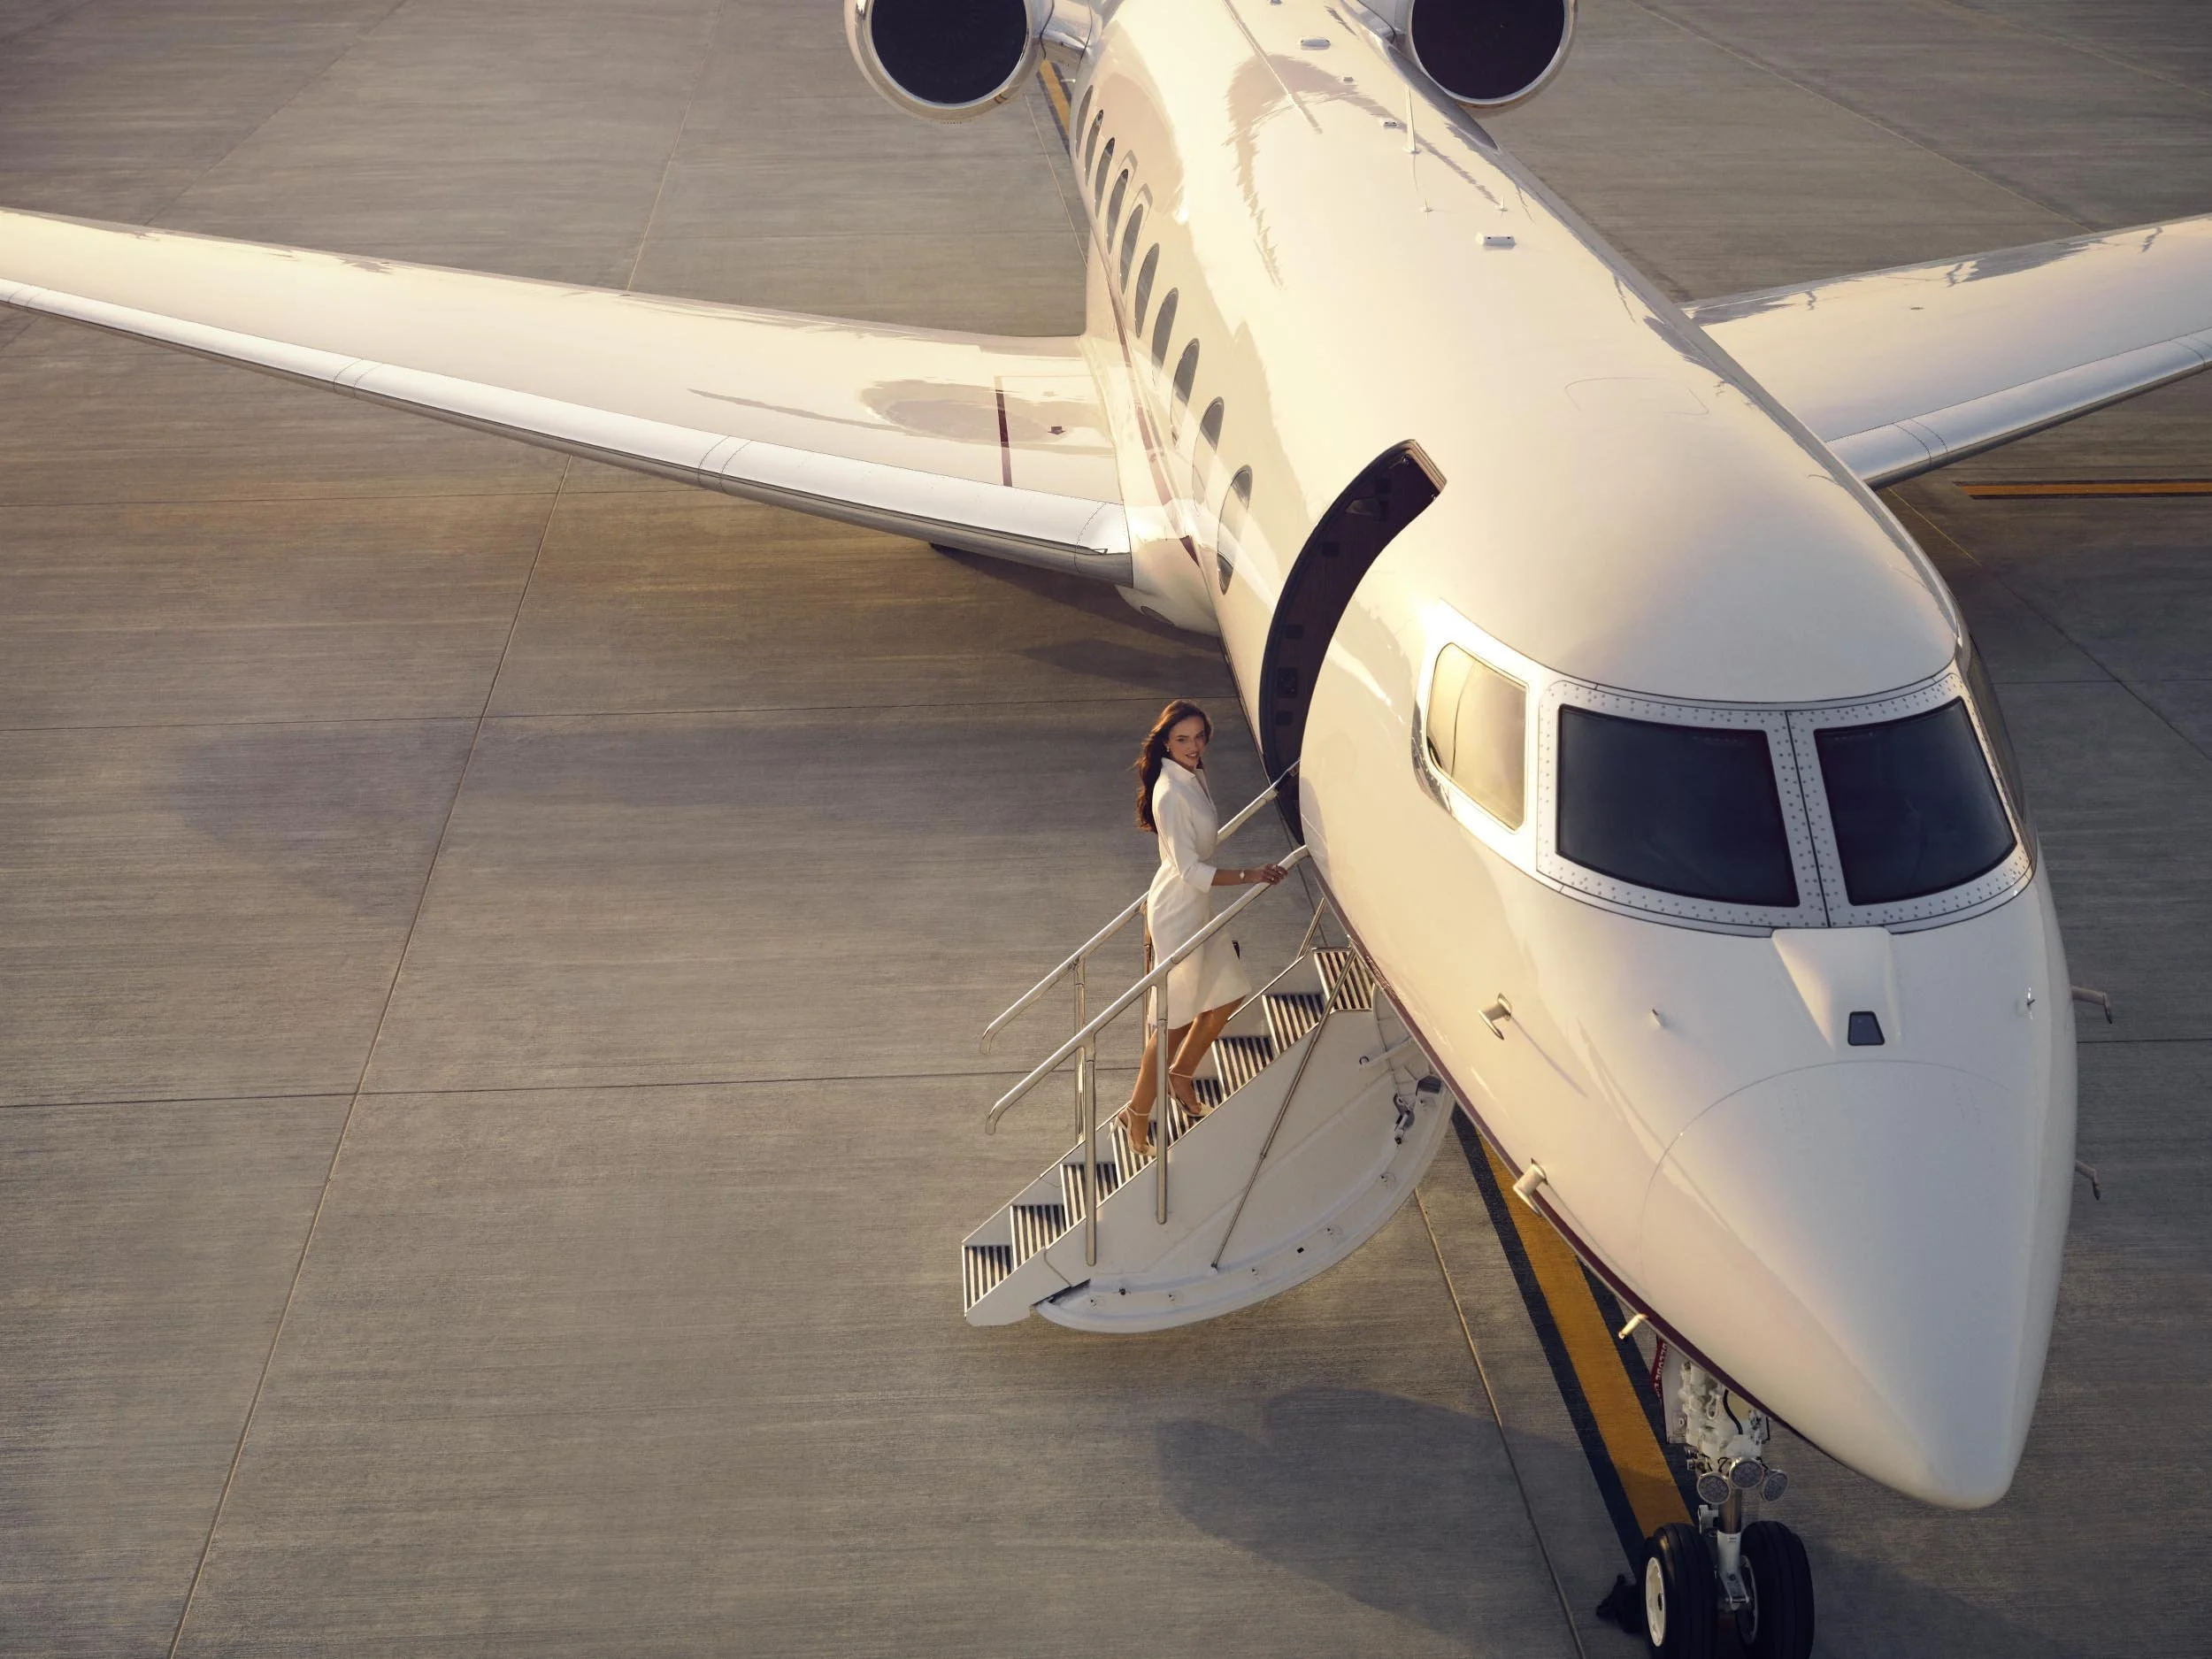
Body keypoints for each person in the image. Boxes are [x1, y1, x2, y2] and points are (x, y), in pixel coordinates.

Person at [1122, 700, 1286, 1156]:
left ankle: (1181, 1074)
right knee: (1172, 1022)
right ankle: (1136, 1113)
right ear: (1165, 744)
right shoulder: (1170, 792)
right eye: (1182, 739)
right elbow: (1191, 869)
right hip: (1178, 912)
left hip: (1196, 907)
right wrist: (1249, 874)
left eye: (1198, 737)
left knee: (1228, 992)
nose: (1193, 746)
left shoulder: (1191, 776)